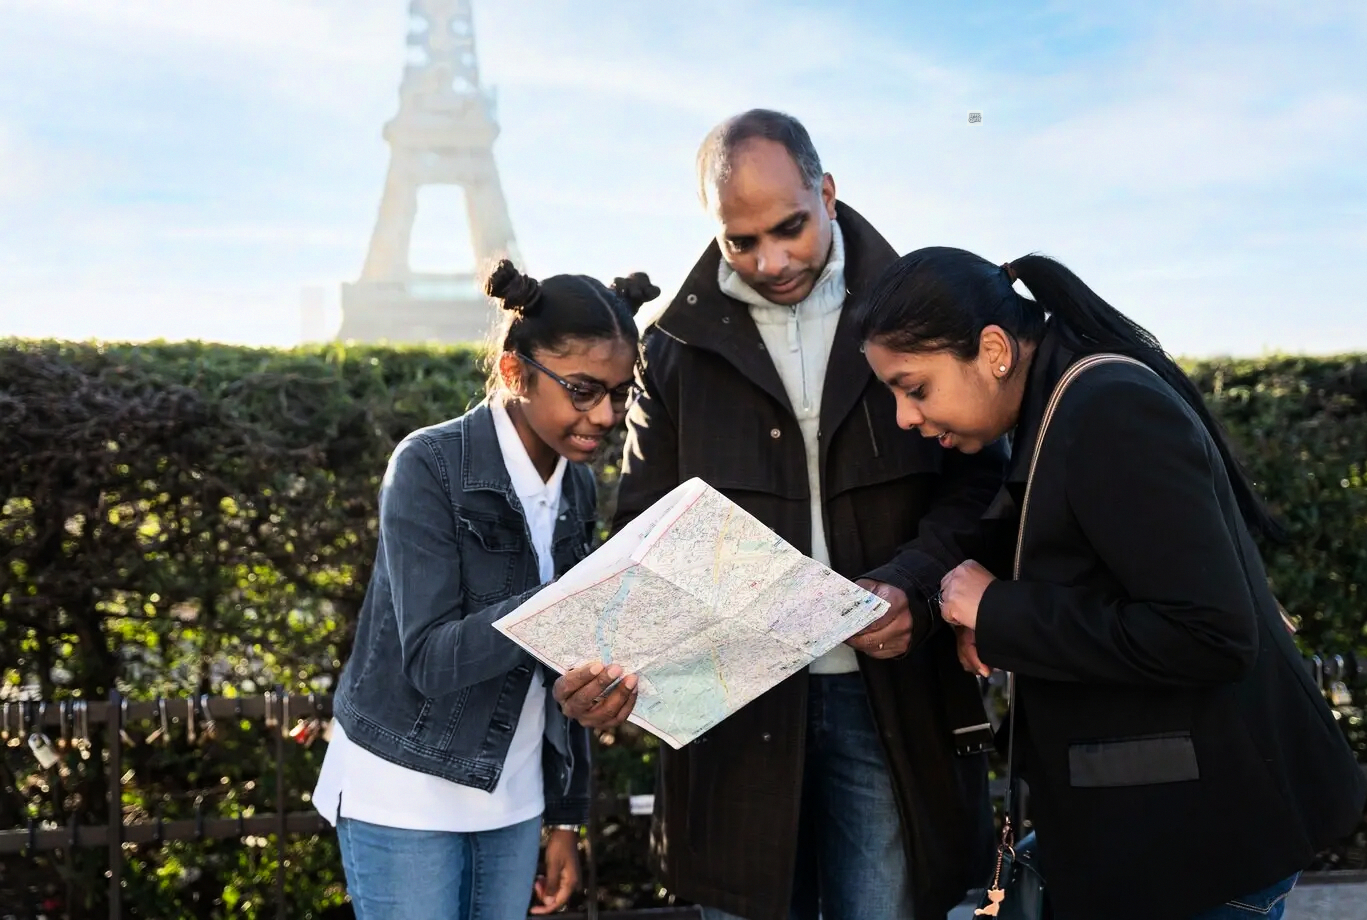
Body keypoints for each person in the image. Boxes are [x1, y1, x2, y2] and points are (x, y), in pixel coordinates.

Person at [556, 110, 1005, 920]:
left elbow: (979, 489)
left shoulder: (919, 310)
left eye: (789, 228)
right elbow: (643, 528)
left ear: (827, 193)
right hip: (732, 717)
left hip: (894, 703)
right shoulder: (671, 351)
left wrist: (912, 586)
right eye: (741, 241)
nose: (770, 261)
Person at [856, 246, 1367, 920]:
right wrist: (963, 609)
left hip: (1199, 851)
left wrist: (1000, 613)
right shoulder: (1059, 404)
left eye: (915, 387)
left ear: (994, 350)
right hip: (1164, 834)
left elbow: (1210, 634)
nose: (905, 418)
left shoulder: (1105, 408)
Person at [311, 260, 659, 920]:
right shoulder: (429, 465)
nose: (607, 415)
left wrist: (564, 817)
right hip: (403, 789)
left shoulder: (577, 484)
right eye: (584, 390)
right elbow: (430, 660)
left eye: (621, 393)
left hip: (516, 796)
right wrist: (568, 599)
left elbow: (566, 657)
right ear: (515, 372)